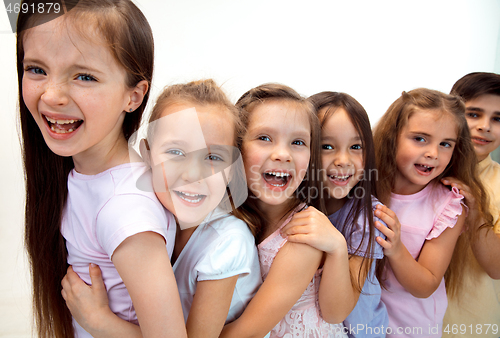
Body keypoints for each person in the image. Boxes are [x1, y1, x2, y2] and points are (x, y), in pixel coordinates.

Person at [18, 1, 185, 337]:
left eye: (84, 76)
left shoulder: (125, 209)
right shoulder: (89, 175)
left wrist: (99, 323)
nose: (51, 95)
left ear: (133, 96)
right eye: (36, 69)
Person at [61, 80, 262, 338]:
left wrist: (99, 322)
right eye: (176, 152)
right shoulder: (152, 212)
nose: (193, 174)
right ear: (146, 154)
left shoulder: (227, 243)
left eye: (213, 158)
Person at [220, 84, 349, 338]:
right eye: (265, 138)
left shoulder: (303, 236)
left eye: (298, 142)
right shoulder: (225, 214)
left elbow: (245, 333)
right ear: (236, 147)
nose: (283, 154)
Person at [372, 88, 483, 337]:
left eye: (445, 144)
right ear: (392, 138)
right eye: (420, 139)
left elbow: (426, 285)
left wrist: (395, 248)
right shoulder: (366, 188)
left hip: (412, 330)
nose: (433, 153)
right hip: (362, 325)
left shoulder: (449, 206)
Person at [281, 92, 388, 337]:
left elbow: (335, 312)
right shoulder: (291, 203)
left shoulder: (368, 217)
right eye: (326, 146)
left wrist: (336, 245)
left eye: (356, 146)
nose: (343, 160)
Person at [442, 72, 500, 338]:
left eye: (498, 119)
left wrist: (475, 209)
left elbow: (496, 268)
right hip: (405, 322)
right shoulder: (422, 170)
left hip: (473, 326)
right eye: (474, 114)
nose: (485, 126)